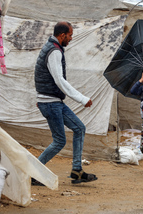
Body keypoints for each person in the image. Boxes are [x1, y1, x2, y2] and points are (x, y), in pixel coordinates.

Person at [33, 22, 97, 185]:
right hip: (51, 103)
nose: (71, 38)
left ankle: (77, 170)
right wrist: (82, 99)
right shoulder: (54, 51)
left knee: (79, 128)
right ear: (62, 35)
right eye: (69, 35)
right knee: (59, 141)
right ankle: (34, 173)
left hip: (52, 101)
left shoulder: (51, 47)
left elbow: (42, 74)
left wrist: (41, 96)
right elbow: (59, 80)